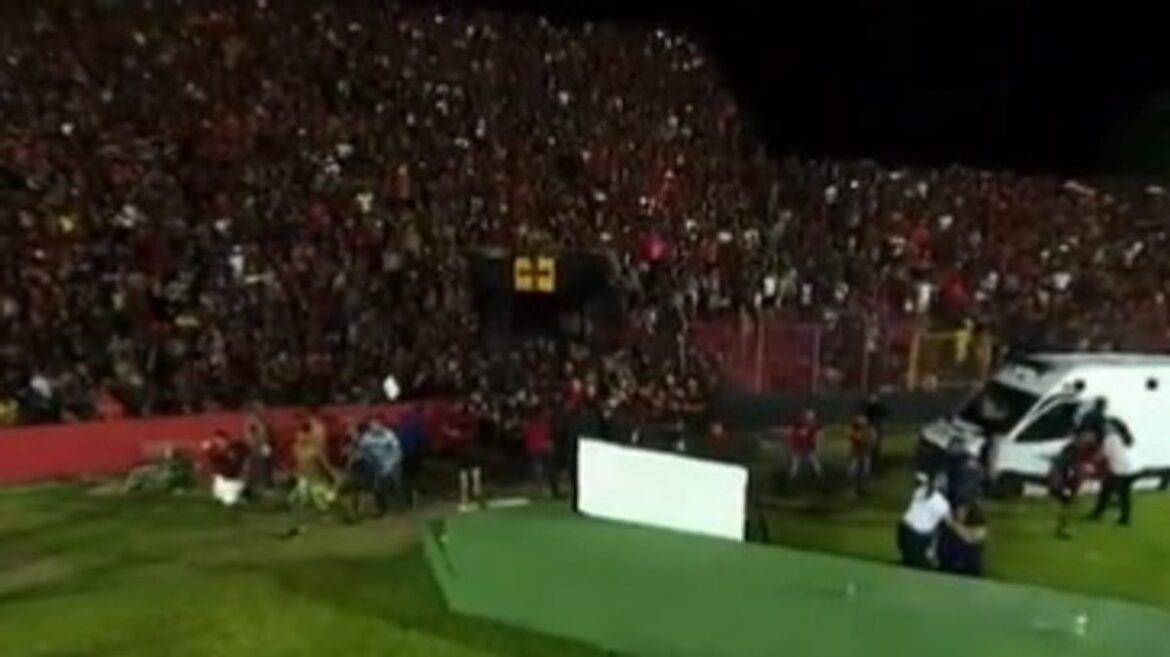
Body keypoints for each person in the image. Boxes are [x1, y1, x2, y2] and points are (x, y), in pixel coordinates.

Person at [1048, 431, 1098, 539]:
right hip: (1064, 481)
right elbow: (1064, 466)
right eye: (1087, 440)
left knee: (1066, 503)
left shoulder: (1077, 450)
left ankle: (1061, 528)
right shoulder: (1072, 450)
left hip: (1068, 481)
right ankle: (1061, 528)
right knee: (1065, 503)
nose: (1088, 443)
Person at [897, 473, 951, 569]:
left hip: (903, 530)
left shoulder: (921, 491)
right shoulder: (943, 504)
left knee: (910, 562)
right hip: (915, 537)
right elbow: (949, 523)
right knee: (920, 567)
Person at [1089, 419, 1136, 526]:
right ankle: (1124, 518)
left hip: (1118, 471)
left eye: (1107, 426)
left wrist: (1092, 462)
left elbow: (1104, 454)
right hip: (1125, 469)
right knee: (1120, 495)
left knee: (1109, 493)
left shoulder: (1110, 438)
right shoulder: (1118, 437)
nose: (1105, 428)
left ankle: (1098, 514)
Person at [938, 502, 988, 577]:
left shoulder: (980, 526)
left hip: (970, 567)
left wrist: (953, 525)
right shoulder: (949, 526)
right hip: (951, 565)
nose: (960, 513)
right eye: (958, 510)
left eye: (963, 510)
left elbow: (969, 538)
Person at [786, 409, 823, 484]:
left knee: (813, 462)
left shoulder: (813, 426)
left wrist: (815, 443)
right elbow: (794, 434)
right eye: (809, 418)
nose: (810, 420)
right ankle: (791, 478)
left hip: (807, 448)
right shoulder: (799, 424)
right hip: (799, 447)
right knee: (796, 463)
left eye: (811, 418)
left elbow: (817, 435)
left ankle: (819, 476)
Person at [846, 415, 875, 495]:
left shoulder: (869, 431)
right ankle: (856, 487)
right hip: (857, 454)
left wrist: (863, 440)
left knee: (865, 472)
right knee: (852, 472)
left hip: (865, 454)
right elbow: (852, 438)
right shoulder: (854, 431)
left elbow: (870, 442)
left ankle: (861, 488)